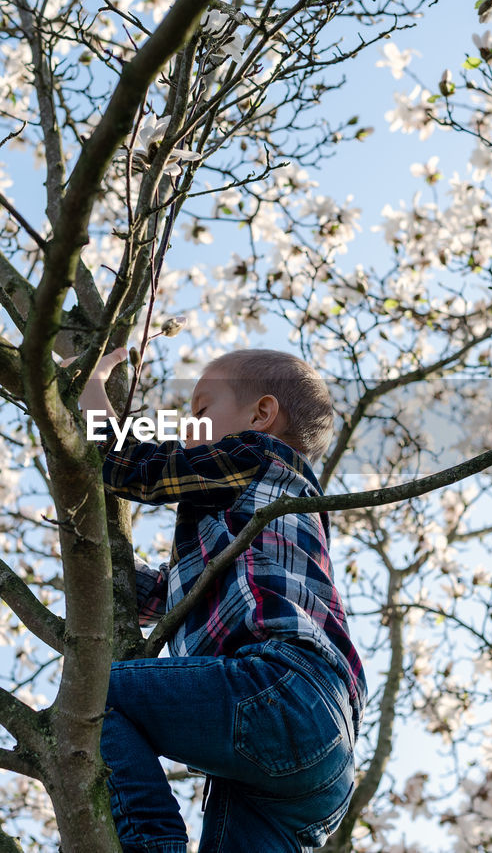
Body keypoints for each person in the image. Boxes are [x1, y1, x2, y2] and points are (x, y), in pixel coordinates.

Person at [79, 347, 367, 853]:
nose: (189, 428)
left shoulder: (256, 455)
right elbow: (168, 594)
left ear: (261, 415)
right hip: (322, 753)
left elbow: (129, 465)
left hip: (279, 688)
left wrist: (93, 388)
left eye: (201, 412)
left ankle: (150, 844)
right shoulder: (259, 509)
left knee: (91, 697)